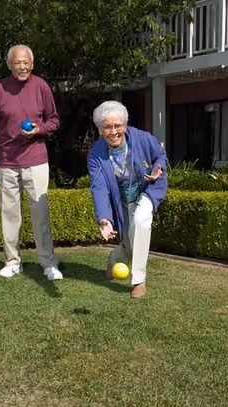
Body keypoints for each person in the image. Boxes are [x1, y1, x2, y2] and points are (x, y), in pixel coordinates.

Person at [0, 44, 63, 280]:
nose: (22, 66)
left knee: (40, 214)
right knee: (9, 215)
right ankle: (13, 262)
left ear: (32, 64)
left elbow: (54, 121)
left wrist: (40, 130)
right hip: (7, 162)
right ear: (9, 65)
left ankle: (48, 263)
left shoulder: (41, 86)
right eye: (18, 62)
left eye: (26, 62)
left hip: (36, 160)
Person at [87, 101, 168, 298]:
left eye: (117, 125)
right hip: (121, 198)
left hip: (147, 189)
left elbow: (161, 155)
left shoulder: (142, 138)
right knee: (130, 244)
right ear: (99, 129)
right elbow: (99, 187)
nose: (113, 131)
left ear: (125, 124)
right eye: (107, 126)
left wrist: (158, 167)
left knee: (141, 222)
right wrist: (104, 219)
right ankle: (114, 258)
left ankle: (139, 280)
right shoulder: (96, 154)